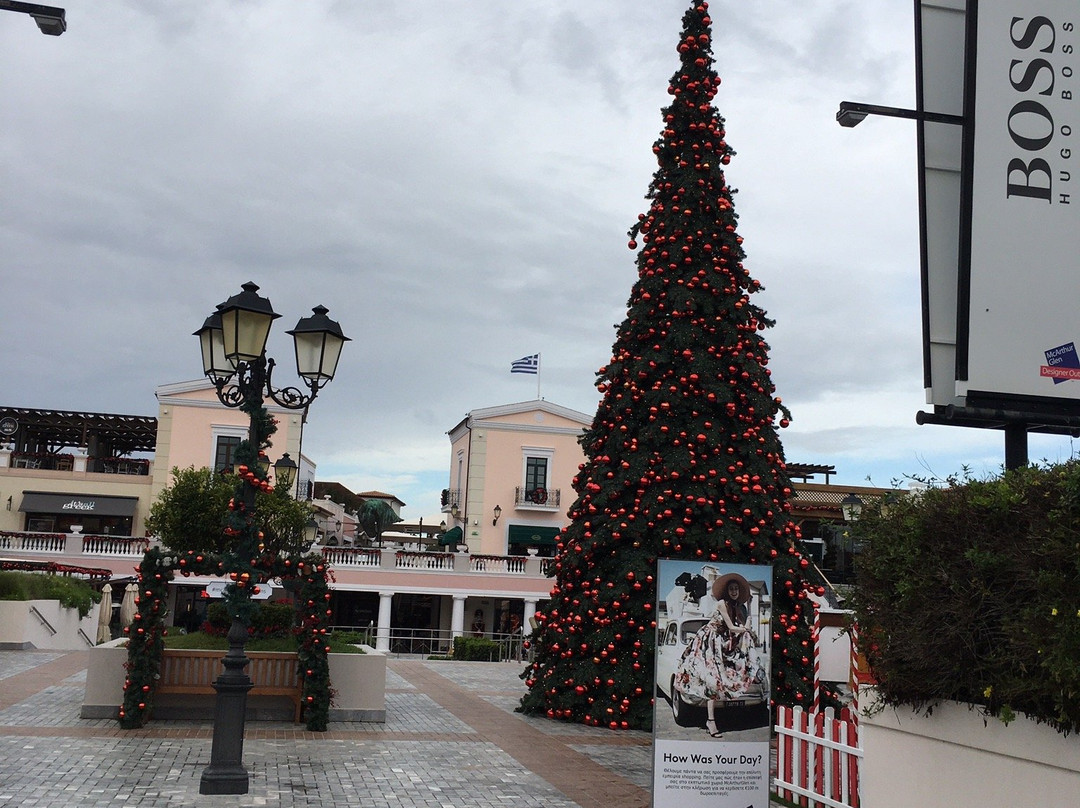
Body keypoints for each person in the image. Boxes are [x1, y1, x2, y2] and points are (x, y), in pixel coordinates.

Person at [673, 572, 758, 737]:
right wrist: (745, 629)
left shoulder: (737, 607)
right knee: (712, 679)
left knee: (722, 679)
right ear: (727, 591)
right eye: (731, 589)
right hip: (709, 641)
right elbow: (733, 628)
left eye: (736, 589)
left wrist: (748, 607)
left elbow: (745, 626)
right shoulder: (721, 604)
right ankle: (711, 721)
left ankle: (717, 715)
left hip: (723, 643)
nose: (734, 591)